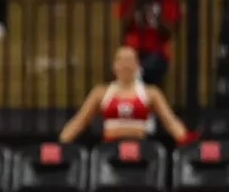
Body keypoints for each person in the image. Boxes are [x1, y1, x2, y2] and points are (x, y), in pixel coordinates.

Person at [59, 46, 189, 144]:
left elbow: (170, 122)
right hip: (109, 151)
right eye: (121, 60)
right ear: (114, 65)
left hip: (141, 149)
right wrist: (60, 143)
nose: (125, 65)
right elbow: (79, 121)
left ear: (137, 65)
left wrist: (187, 141)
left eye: (130, 60)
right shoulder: (101, 92)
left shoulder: (151, 93)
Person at [117, 0, 179, 85]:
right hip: (133, 51)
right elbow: (124, 27)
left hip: (157, 52)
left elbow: (168, 32)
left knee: (150, 69)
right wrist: (136, 4)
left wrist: (157, 6)